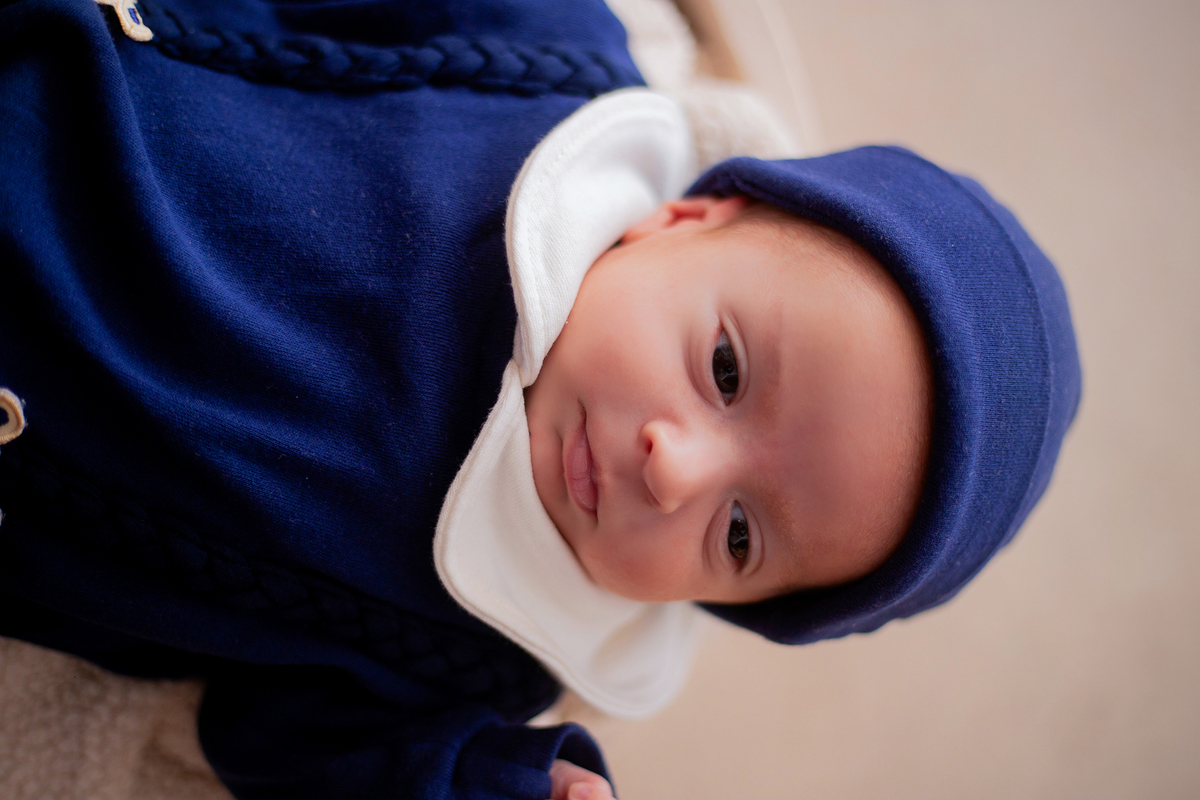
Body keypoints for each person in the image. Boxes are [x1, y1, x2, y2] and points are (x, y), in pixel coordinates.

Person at [0, 0, 1080, 798]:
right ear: (686, 219)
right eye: (727, 370)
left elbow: (278, 733)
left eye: (741, 534)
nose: (676, 467)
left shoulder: (490, 643)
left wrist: (498, 782)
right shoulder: (545, 65)